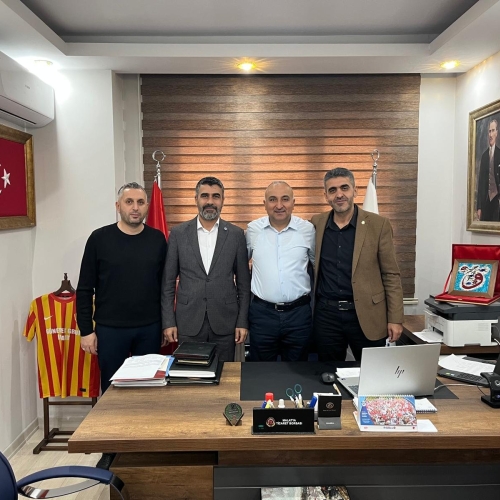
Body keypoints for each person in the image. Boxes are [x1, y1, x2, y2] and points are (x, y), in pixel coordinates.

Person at [76, 181, 167, 469]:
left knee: (148, 392)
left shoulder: (158, 240)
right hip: (110, 329)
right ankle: (111, 449)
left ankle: (144, 447)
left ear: (147, 206)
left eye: (140, 202)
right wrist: (86, 331)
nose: (135, 208)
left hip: (149, 328)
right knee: (111, 393)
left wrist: (166, 325)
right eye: (129, 202)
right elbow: (84, 288)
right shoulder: (99, 239)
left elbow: (165, 287)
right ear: (118, 206)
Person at [311, 168, 403, 362]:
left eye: (344, 188)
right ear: (326, 196)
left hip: (367, 314)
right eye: (332, 190)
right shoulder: (316, 223)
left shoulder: (379, 225)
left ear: (355, 190)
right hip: (327, 317)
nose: (339, 194)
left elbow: (391, 275)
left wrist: (395, 318)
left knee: (372, 373)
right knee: (328, 374)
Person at [161, 176, 250, 362]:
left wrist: (242, 321)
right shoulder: (178, 234)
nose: (210, 201)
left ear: (223, 200)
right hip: (188, 322)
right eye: (205, 196)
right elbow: (168, 283)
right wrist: (168, 322)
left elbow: (244, 285)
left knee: (224, 374)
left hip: (225, 322)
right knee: (191, 374)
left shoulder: (236, 235)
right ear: (196, 199)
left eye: (216, 196)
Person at [246, 181, 315, 361]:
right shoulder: (253, 230)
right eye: (272, 199)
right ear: (264, 204)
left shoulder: (308, 230)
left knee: (298, 371)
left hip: (298, 315)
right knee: (261, 371)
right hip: (262, 315)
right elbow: (239, 266)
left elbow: (318, 266)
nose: (279, 205)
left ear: (293, 202)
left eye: (285, 199)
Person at [477, 118, 500, 221]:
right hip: (486, 201)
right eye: (489, 131)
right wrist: (479, 207)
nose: (490, 134)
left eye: (493, 131)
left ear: (497, 133)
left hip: (497, 201)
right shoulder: (484, 156)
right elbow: (480, 183)